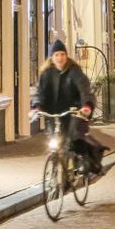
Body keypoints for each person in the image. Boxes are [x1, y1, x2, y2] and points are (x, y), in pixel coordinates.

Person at [32, 39, 107, 173]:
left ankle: (82, 161)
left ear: (66, 56)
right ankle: (58, 173)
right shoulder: (46, 74)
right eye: (56, 55)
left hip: (73, 113)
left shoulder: (75, 72)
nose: (60, 58)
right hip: (54, 115)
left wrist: (87, 106)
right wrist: (36, 107)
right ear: (52, 57)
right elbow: (40, 93)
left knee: (74, 138)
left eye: (62, 54)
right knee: (55, 142)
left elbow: (85, 91)